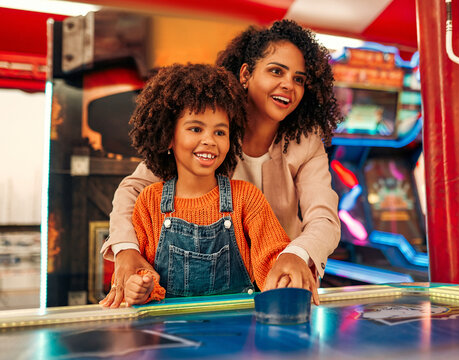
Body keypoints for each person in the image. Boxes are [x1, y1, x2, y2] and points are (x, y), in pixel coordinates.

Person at [100, 19, 341, 307]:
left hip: (277, 282)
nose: (288, 85)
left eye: (299, 79)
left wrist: (297, 254)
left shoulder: (306, 140)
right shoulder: (207, 131)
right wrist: (127, 251)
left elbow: (324, 218)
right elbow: (133, 190)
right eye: (276, 71)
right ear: (245, 74)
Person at [112, 63, 291, 305]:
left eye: (220, 132)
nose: (209, 140)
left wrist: (287, 273)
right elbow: (142, 273)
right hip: (169, 337)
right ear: (168, 137)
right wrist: (140, 287)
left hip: (236, 335)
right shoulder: (149, 201)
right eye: (195, 129)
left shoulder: (247, 197)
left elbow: (273, 259)